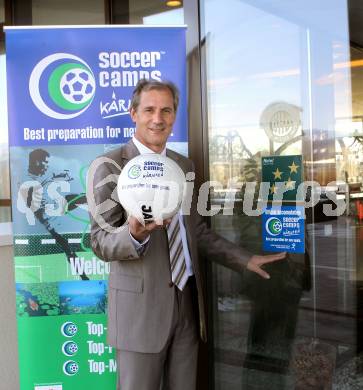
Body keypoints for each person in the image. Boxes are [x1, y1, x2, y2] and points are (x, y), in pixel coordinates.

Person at [86, 79, 286, 390]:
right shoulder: (110, 165)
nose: (158, 118)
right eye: (149, 109)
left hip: (188, 306)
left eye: (166, 110)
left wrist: (245, 259)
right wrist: (134, 235)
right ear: (133, 113)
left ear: (174, 116)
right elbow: (99, 240)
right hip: (141, 312)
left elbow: (196, 233)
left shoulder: (183, 165)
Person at [22, 148, 88, 280]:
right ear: (36, 162)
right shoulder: (27, 182)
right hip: (52, 220)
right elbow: (34, 208)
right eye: (44, 163)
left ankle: (83, 276)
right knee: (68, 249)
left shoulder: (38, 179)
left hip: (56, 214)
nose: (46, 166)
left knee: (81, 198)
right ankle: (83, 277)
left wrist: (55, 178)